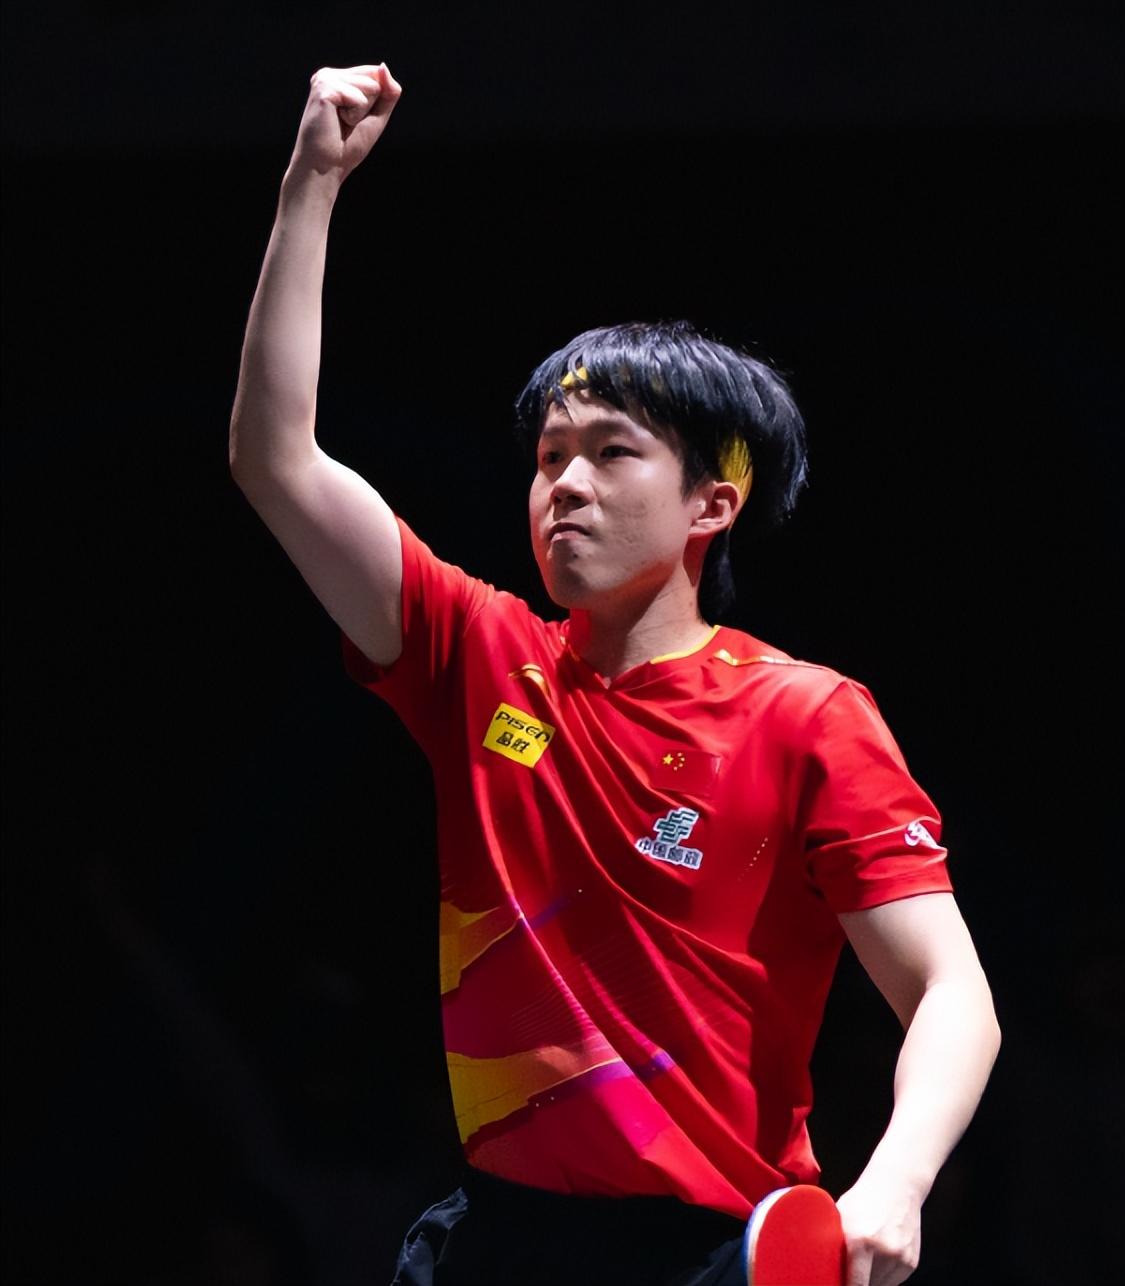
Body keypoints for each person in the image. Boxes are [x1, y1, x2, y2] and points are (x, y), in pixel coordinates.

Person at [229, 63, 1001, 1286]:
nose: (565, 485)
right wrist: (309, 184)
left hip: (704, 1247)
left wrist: (894, 1181)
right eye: (548, 457)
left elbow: (950, 990)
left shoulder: (804, 715)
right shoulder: (476, 656)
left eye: (609, 452)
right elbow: (276, 458)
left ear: (711, 502)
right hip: (493, 1239)